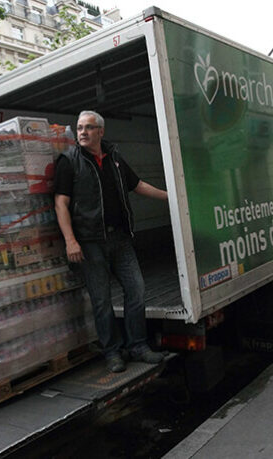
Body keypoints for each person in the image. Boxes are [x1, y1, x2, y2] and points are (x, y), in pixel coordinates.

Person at [54, 110, 168, 373]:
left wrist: (169, 196)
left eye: (88, 128)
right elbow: (61, 203)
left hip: (120, 238)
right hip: (90, 242)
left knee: (136, 290)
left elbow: (137, 184)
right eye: (79, 127)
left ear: (101, 132)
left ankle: (138, 346)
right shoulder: (69, 162)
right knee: (102, 300)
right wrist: (71, 240)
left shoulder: (114, 158)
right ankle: (113, 352)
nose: (82, 132)